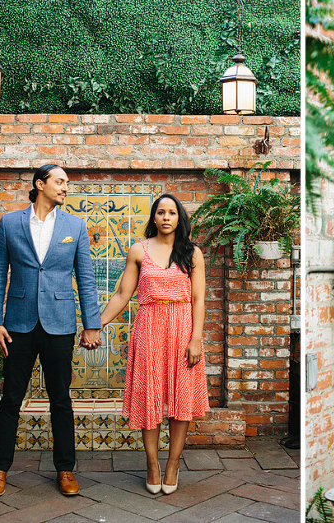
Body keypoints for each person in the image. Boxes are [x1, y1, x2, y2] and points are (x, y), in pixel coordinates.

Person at [0, 164, 102, 498]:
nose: (66, 187)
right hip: (18, 324)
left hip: (59, 325)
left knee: (60, 400)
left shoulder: (75, 226)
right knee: (11, 399)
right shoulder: (10, 223)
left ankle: (66, 469)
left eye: (67, 182)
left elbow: (86, 278)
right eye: (60, 181)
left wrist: (91, 324)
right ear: (41, 184)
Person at [97, 193, 209, 495]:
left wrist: (196, 339)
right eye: (161, 212)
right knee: (150, 398)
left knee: (179, 401)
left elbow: (198, 299)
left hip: (183, 330)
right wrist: (97, 323)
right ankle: (152, 464)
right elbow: (123, 294)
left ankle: (172, 464)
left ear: (179, 217)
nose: (166, 218)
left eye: (172, 213)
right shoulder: (138, 250)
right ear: (154, 217)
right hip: (149, 330)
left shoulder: (191, 253)